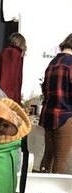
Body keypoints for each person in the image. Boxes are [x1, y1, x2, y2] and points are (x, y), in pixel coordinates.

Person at [39, 33, 72, 174]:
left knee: (48, 156)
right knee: (60, 159)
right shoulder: (70, 64)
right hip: (65, 116)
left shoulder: (52, 62)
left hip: (48, 115)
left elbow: (45, 90)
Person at [0, 32, 27, 104]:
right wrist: (9, 104)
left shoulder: (4, 53)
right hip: (5, 101)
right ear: (20, 43)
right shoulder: (12, 53)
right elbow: (8, 83)